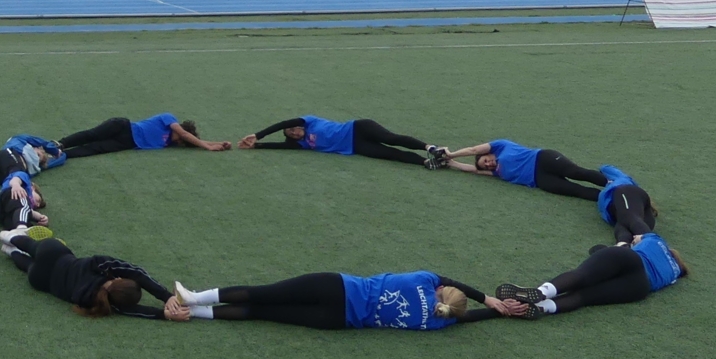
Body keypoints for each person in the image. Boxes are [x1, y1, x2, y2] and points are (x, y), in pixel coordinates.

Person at [172, 271, 517, 328]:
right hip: (337, 321)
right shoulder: (437, 322)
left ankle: (195, 297)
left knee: (266, 292)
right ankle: (198, 313)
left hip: (336, 287)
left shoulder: (423, 279)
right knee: (263, 312)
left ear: (440, 289)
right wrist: (498, 314)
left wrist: (487, 298)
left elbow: (449, 279)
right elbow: (463, 317)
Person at [0, 231, 190, 319]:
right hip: (40, 279)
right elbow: (132, 311)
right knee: (29, 266)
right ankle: (9, 251)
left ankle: (8, 235)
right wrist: (163, 314)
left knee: (33, 245)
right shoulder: (97, 302)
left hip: (53, 253)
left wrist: (166, 295)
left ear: (118, 279)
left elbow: (135, 272)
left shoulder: (99, 265)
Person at [496, 233, 687, 317]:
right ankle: (542, 307)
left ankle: (542, 292)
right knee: (584, 297)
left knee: (582, 276)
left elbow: (638, 238)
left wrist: (631, 241)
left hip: (630, 259)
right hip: (640, 286)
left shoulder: (657, 241)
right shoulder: (675, 274)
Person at [236, 116, 445, 167]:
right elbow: (279, 146)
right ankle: (426, 162)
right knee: (388, 154)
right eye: (291, 134)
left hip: (357, 127)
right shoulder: (302, 144)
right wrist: (257, 146)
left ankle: (429, 147)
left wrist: (258, 134)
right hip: (354, 146)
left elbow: (282, 123)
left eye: (293, 129)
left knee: (391, 138)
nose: (294, 132)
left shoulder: (309, 121)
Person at [441, 140, 607, 199]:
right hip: (540, 180)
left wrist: (452, 154)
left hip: (543, 159)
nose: (489, 164)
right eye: (486, 165)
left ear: (488, 153)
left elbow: (473, 150)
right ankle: (611, 197)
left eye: (486, 160)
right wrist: (452, 164)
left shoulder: (501, 145)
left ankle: (611, 181)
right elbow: (474, 170)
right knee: (575, 191)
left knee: (576, 173)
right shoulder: (496, 172)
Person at [59, 113, 230, 159]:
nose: (181, 141)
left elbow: (193, 141)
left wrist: (218, 143)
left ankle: (62, 155)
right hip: (123, 127)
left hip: (126, 143)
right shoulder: (169, 119)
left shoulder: (169, 142)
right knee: (92, 135)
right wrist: (208, 147)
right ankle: (60, 144)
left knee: (94, 149)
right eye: (182, 139)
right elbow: (185, 134)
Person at [596, 165, 657, 241]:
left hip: (624, 192)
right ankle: (623, 246)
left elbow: (607, 168)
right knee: (624, 225)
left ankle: (655, 245)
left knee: (630, 221)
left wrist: (602, 170)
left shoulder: (622, 183)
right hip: (635, 218)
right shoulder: (613, 196)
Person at [0, 134, 64, 183]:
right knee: (15, 173)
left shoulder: (35, 168)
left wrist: (57, 152)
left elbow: (55, 161)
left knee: (14, 175)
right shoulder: (20, 144)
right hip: (5, 160)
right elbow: (40, 142)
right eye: (38, 154)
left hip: (2, 176)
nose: (35, 156)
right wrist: (55, 151)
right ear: (34, 147)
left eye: (38, 157)